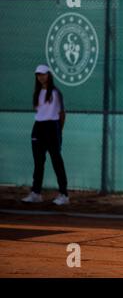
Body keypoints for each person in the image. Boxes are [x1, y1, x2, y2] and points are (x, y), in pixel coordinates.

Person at [22, 65, 69, 205]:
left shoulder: (55, 92)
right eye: (38, 74)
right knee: (38, 162)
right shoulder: (37, 93)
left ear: (49, 75)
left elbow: (62, 114)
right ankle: (36, 193)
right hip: (38, 128)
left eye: (43, 74)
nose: (40, 77)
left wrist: (58, 131)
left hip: (52, 127)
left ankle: (64, 195)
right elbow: (39, 112)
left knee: (56, 161)